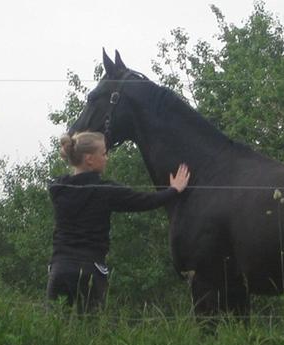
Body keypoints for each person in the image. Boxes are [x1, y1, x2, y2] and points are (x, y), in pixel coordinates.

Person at [47, 130, 190, 312]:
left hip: (59, 268)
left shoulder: (58, 188)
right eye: (104, 153)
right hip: (89, 269)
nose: (107, 158)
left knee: (55, 327)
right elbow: (145, 201)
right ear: (89, 159)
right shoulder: (106, 191)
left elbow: (60, 181)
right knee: (91, 330)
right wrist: (174, 190)